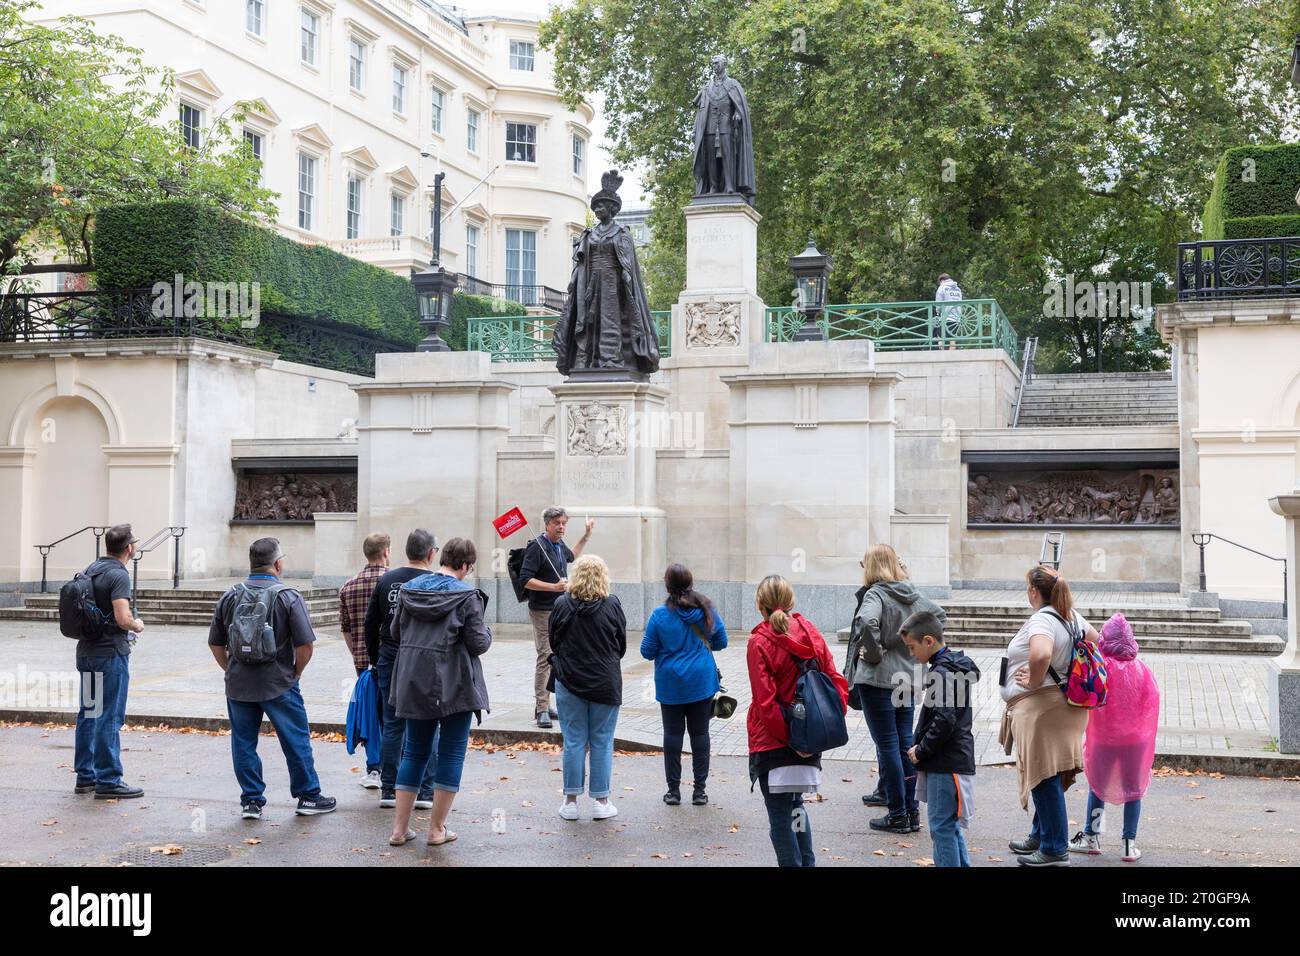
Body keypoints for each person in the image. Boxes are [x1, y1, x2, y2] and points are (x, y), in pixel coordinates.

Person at [208, 538, 335, 818]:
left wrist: (230, 669)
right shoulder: (289, 596)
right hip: (279, 682)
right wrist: (296, 672)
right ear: (278, 564)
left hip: (239, 684)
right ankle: (308, 797)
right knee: (295, 739)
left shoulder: (230, 595)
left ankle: (251, 802)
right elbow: (305, 645)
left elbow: (215, 643)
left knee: (243, 742)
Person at [386, 538, 491, 847]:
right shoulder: (467, 597)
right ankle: (436, 829)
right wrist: (489, 632)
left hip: (412, 681)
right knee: (452, 750)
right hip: (454, 684)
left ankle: (399, 829)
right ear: (465, 566)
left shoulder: (410, 589)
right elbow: (478, 644)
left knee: (414, 751)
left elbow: (395, 632)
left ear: (441, 558)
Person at [747, 575, 849, 868]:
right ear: (791, 601)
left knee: (780, 817)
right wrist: (814, 734)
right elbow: (836, 682)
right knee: (796, 809)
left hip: (773, 741)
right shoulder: (809, 631)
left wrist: (791, 740)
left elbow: (765, 704)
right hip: (809, 736)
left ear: (759, 604)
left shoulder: (759, 642)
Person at [845, 543, 947, 833]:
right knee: (904, 744)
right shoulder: (911, 594)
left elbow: (866, 621)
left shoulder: (876, 594)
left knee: (888, 746)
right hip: (908, 678)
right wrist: (918, 650)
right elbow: (939, 617)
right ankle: (912, 812)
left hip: (878, 680)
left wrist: (877, 652)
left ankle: (897, 814)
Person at [999, 565, 1094, 866]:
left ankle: (1054, 848)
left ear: (1033, 591)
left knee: (1043, 775)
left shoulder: (1042, 619)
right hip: (1062, 706)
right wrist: (1067, 671)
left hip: (1043, 708)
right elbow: (1097, 641)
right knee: (1046, 772)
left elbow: (1040, 654)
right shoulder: (1071, 616)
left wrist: (1037, 677)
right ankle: (1040, 836)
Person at [1069, 613, 1159, 862]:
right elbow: (1150, 705)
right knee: (1134, 789)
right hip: (1135, 742)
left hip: (1104, 740)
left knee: (1098, 785)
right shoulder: (1142, 670)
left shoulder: (1102, 667)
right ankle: (1128, 844)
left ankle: (1092, 835)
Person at [640, 563, 728, 806]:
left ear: (667, 586)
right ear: (690, 583)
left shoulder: (659, 615)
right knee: (700, 734)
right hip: (701, 682)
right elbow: (722, 641)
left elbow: (647, 651)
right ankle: (700, 791)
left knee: (672, 735)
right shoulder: (706, 608)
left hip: (671, 684)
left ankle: (674, 791)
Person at [363, 529, 439, 809]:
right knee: (428, 722)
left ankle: (389, 789)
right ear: (431, 553)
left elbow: (371, 624)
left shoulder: (387, 580)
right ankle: (425, 790)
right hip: (423, 660)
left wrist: (374, 658)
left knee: (393, 723)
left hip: (390, 656)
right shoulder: (435, 582)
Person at [549, 554, 626, 821]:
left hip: (569, 681)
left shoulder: (561, 604)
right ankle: (601, 800)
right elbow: (621, 644)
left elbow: (553, 641)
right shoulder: (612, 604)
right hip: (605, 682)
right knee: (602, 742)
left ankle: (570, 801)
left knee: (573, 741)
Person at [903, 610, 980, 868]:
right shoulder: (952, 666)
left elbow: (945, 719)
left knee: (941, 828)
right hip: (954, 761)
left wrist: (921, 750)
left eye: (912, 647)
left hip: (946, 763)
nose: (911, 654)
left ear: (928, 641)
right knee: (949, 826)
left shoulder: (941, 672)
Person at [74, 523, 145, 799]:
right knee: (109, 716)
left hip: (87, 653)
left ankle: (85, 777)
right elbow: (122, 618)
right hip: (110, 654)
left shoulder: (91, 569)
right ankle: (109, 779)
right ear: (129, 548)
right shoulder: (118, 575)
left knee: (89, 714)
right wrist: (137, 625)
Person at [519, 507, 594, 728]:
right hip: (542, 610)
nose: (561, 527)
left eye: (564, 523)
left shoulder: (559, 545)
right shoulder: (537, 547)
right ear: (547, 524)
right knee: (545, 656)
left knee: (558, 656)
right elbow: (525, 579)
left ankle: (546, 704)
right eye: (557, 523)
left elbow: (572, 555)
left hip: (561, 609)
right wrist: (553, 587)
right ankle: (541, 708)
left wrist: (587, 536)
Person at [338, 532, 390, 789]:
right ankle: (393, 768)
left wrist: (357, 652)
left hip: (363, 663)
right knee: (391, 716)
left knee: (370, 715)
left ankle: (373, 770)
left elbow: (346, 628)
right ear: (386, 551)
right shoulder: (394, 583)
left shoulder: (349, 586)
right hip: (392, 662)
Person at [935, 272, 964, 348]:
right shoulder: (958, 289)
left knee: (940, 336)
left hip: (946, 317)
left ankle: (942, 355)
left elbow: (938, 303)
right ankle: (953, 355)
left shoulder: (942, 288)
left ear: (941, 280)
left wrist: (937, 312)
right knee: (952, 338)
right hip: (957, 318)